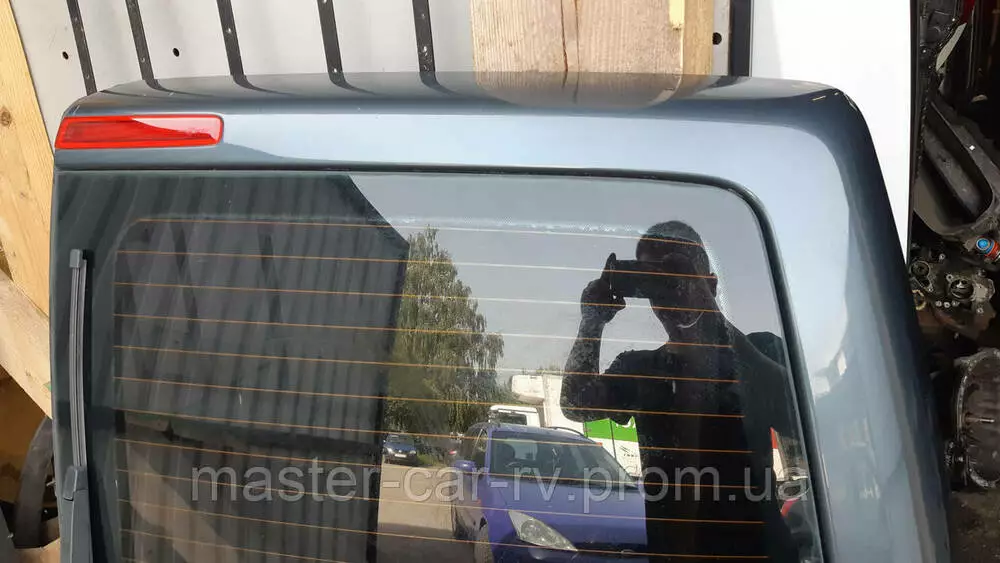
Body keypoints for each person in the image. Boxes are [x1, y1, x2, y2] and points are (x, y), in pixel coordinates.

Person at [561, 221, 799, 561]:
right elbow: (575, 404)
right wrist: (592, 320)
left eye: (675, 278)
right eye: (654, 281)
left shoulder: (759, 351)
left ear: (710, 286)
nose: (667, 294)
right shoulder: (640, 368)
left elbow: (798, 419)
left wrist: (705, 309)